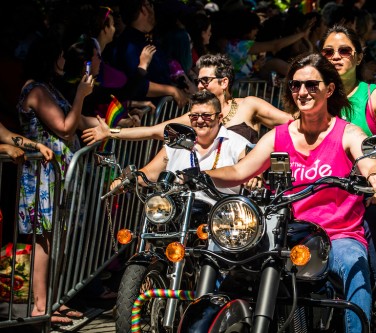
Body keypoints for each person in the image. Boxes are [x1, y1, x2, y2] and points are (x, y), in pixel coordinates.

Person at [205, 53, 376, 333]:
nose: (302, 92)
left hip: (337, 234)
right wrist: (201, 174)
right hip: (286, 234)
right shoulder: (278, 136)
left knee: (355, 264)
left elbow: (367, 158)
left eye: (311, 85)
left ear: (329, 89)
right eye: (295, 85)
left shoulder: (346, 132)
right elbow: (241, 171)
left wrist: (374, 175)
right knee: (231, 256)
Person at [321, 25, 376, 333]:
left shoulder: (374, 95)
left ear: (357, 58)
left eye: (345, 51)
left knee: (375, 215)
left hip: (363, 191)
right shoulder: (313, 99)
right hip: (322, 194)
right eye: (329, 52)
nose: (336, 57)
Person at [17, 28, 94, 324]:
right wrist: (80, 95)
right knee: (45, 240)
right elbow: (64, 126)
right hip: (44, 175)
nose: (64, 59)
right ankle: (41, 306)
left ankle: (55, 301)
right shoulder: (36, 90)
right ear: (49, 58)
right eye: (60, 54)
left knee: (59, 239)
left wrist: (113, 125)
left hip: (59, 174)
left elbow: (79, 121)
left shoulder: (48, 87)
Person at [81, 53, 293, 145]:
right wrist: (111, 133)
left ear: (224, 82)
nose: (200, 86)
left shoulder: (249, 105)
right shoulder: (196, 116)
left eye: (206, 80)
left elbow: (291, 122)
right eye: (198, 81)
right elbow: (154, 131)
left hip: (246, 195)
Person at [110, 90, 251, 195]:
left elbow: (246, 169)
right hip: (176, 214)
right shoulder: (177, 142)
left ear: (219, 118)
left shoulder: (237, 142)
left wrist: (255, 177)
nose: (200, 120)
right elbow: (150, 172)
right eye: (194, 116)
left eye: (206, 116)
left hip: (220, 219)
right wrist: (126, 180)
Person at [109, 0, 189, 107]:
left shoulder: (145, 40)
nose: (153, 9)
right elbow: (137, 84)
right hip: (145, 116)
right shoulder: (129, 45)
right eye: (150, 5)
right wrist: (171, 90)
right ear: (143, 9)